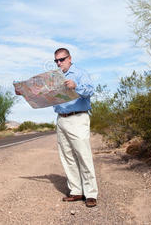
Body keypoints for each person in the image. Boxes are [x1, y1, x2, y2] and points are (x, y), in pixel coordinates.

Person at [52, 48, 98, 208]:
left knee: (83, 156)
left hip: (78, 118)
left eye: (62, 59)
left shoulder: (80, 73)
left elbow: (91, 90)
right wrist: (25, 92)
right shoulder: (54, 78)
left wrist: (76, 86)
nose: (59, 63)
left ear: (70, 58)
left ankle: (91, 193)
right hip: (61, 119)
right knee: (67, 157)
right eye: (56, 61)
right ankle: (76, 190)